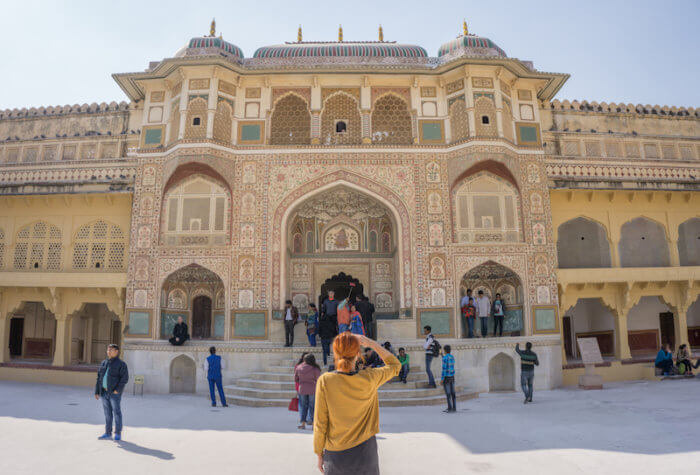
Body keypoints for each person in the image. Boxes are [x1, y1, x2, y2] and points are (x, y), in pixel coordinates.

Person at [313, 332, 401, 474]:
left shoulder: (326, 381)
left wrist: (319, 454)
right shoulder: (370, 377)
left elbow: (320, 422)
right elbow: (395, 365)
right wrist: (371, 343)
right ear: (358, 353)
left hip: (336, 454)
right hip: (366, 452)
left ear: (335, 353)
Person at [95, 344, 129, 441]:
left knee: (116, 413)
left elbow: (124, 378)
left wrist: (117, 390)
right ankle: (107, 433)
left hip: (114, 394)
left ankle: (118, 433)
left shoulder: (121, 364)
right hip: (104, 392)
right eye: (108, 350)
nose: (109, 352)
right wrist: (97, 391)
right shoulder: (104, 363)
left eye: (111, 350)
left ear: (116, 351)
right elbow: (99, 378)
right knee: (107, 413)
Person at [295, 353, 321, 430]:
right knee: (312, 407)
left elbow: (296, 379)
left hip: (302, 388)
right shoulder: (315, 369)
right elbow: (318, 379)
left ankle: (303, 424)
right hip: (313, 389)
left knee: (303, 407)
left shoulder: (299, 367)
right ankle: (313, 424)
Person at [441, 345, 456, 413]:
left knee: (448, 393)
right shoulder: (452, 357)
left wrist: (442, 379)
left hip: (446, 377)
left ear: (445, 350)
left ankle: (450, 408)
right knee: (453, 393)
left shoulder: (444, 358)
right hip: (452, 376)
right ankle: (454, 407)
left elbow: (444, 369)